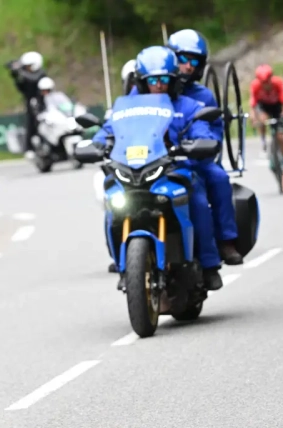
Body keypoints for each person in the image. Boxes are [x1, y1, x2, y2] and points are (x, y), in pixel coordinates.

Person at [92, 46, 224, 290]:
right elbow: (107, 131)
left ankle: (209, 264)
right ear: (142, 81)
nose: (159, 85)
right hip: (133, 171)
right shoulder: (125, 109)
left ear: (174, 80)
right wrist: (97, 145)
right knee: (112, 204)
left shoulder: (188, 105)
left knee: (197, 202)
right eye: (153, 80)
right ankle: (122, 265)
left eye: (165, 79)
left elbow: (202, 129)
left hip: (175, 170)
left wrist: (199, 142)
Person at [167, 29, 244, 265]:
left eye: (194, 61)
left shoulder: (204, 96)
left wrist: (202, 146)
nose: (188, 66)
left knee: (219, 179)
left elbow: (215, 129)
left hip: (196, 160)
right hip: (158, 161)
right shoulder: (153, 91)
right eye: (183, 59)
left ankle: (225, 241)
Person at [6, 51, 47, 159]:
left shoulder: (41, 74)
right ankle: (29, 148)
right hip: (32, 103)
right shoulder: (26, 76)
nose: (26, 69)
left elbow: (33, 79)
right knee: (30, 123)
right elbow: (22, 89)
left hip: (44, 102)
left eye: (28, 66)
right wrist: (15, 76)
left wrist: (20, 70)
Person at [249, 64, 283, 155]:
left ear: (271, 77)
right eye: (263, 83)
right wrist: (254, 118)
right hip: (263, 106)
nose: (266, 85)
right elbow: (253, 105)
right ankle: (263, 140)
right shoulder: (255, 85)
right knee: (262, 118)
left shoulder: (278, 82)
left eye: (267, 81)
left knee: (280, 137)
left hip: (276, 106)